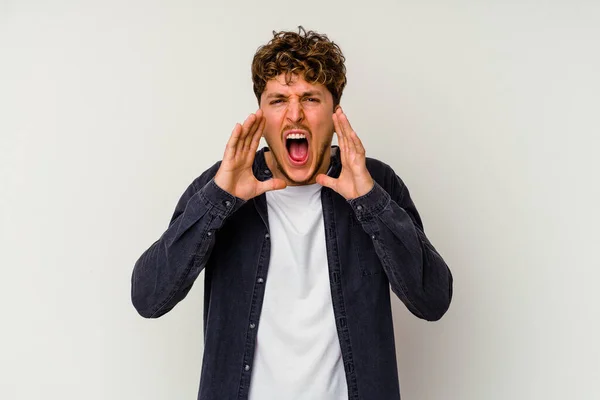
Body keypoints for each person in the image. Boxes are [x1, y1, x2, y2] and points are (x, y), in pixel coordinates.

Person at [131, 27, 453, 400]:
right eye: (279, 100)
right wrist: (218, 199)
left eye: (311, 98)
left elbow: (433, 299)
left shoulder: (375, 182)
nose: (295, 115)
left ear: (335, 112)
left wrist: (369, 199)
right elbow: (148, 297)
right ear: (261, 113)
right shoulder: (223, 183)